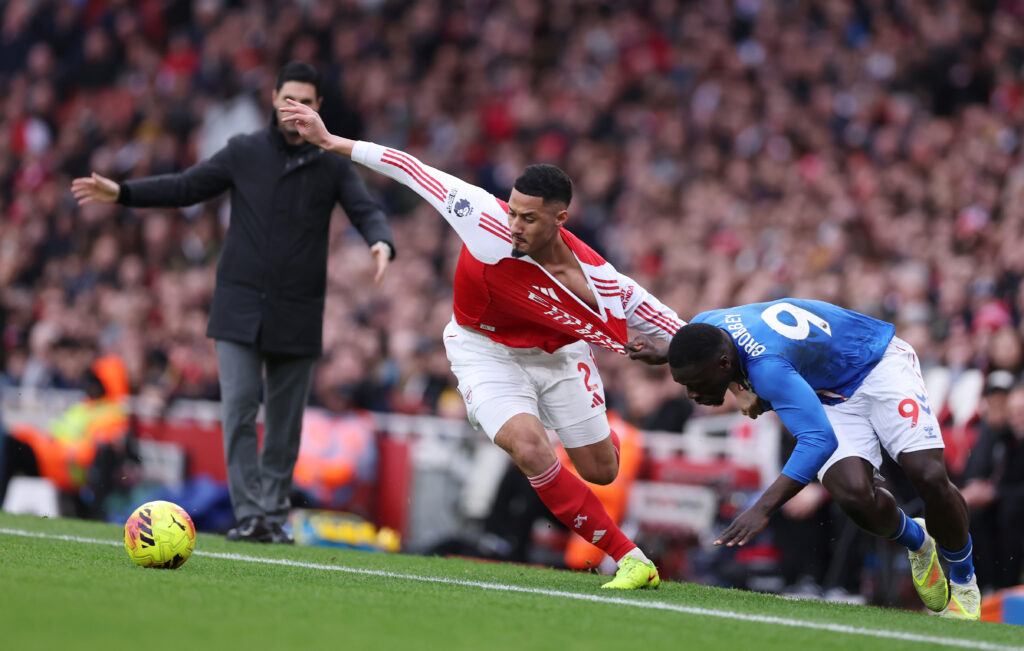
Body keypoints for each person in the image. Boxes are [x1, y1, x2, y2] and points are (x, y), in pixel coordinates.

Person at [277, 98, 757, 588]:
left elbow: (684, 332)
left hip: (559, 356)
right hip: (481, 348)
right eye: (513, 211)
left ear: (561, 220)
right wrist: (331, 141)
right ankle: (630, 557)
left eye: (528, 219)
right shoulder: (484, 219)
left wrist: (741, 385)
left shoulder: (605, 287)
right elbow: (411, 168)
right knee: (529, 446)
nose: (513, 226)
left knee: (603, 471)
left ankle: (592, 429)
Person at [71, 62, 396, 544]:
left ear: (318, 107)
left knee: (285, 427)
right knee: (240, 410)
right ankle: (250, 516)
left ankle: (271, 515)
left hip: (299, 311)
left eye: (306, 100)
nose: (296, 109)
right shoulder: (244, 152)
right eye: (289, 98)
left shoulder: (330, 164)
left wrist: (381, 241)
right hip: (239, 307)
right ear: (273, 98)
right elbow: (187, 186)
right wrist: (123, 192)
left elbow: (364, 207)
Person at [631, 298, 981, 617]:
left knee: (929, 476)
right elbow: (697, 343)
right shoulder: (707, 323)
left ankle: (964, 583)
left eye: (694, 383)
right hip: (825, 391)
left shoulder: (767, 369)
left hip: (879, 365)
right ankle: (917, 541)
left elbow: (817, 441)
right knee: (854, 496)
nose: (692, 394)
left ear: (723, 364)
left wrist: (763, 508)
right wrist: (664, 353)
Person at [960, 372, 1024, 593]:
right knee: (974, 514)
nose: (1016, 418)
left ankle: (1007, 588)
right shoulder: (1004, 437)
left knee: (1010, 513)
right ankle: (984, 587)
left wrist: (994, 493)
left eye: (1021, 413)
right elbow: (973, 472)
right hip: (1005, 503)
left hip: (1013, 508)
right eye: (1013, 413)